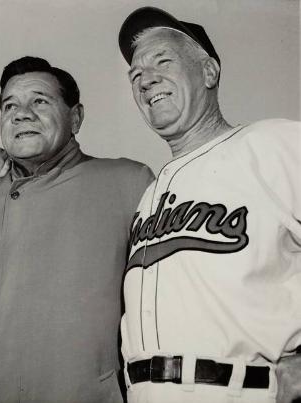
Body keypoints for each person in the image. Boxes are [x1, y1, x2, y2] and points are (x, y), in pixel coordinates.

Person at [117, 6, 301, 403]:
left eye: (162, 60)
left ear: (209, 72)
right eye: (135, 74)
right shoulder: (150, 195)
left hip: (244, 390)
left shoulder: (276, 143)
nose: (146, 79)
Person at [0, 56, 154, 403]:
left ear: (76, 117)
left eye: (40, 101)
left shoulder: (129, 184)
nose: (22, 113)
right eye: (9, 105)